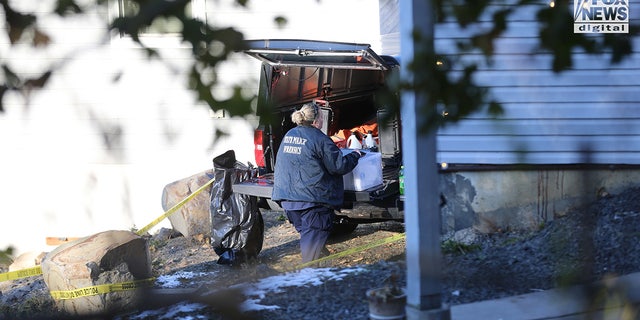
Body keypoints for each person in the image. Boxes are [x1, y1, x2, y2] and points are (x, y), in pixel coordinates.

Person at [272, 102, 362, 263]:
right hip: (313, 203)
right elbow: (338, 166)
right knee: (311, 251)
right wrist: (355, 155)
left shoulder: (289, 135)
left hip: (288, 200)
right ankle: (309, 280)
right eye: (321, 115)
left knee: (312, 241)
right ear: (316, 120)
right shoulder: (320, 139)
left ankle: (320, 269)